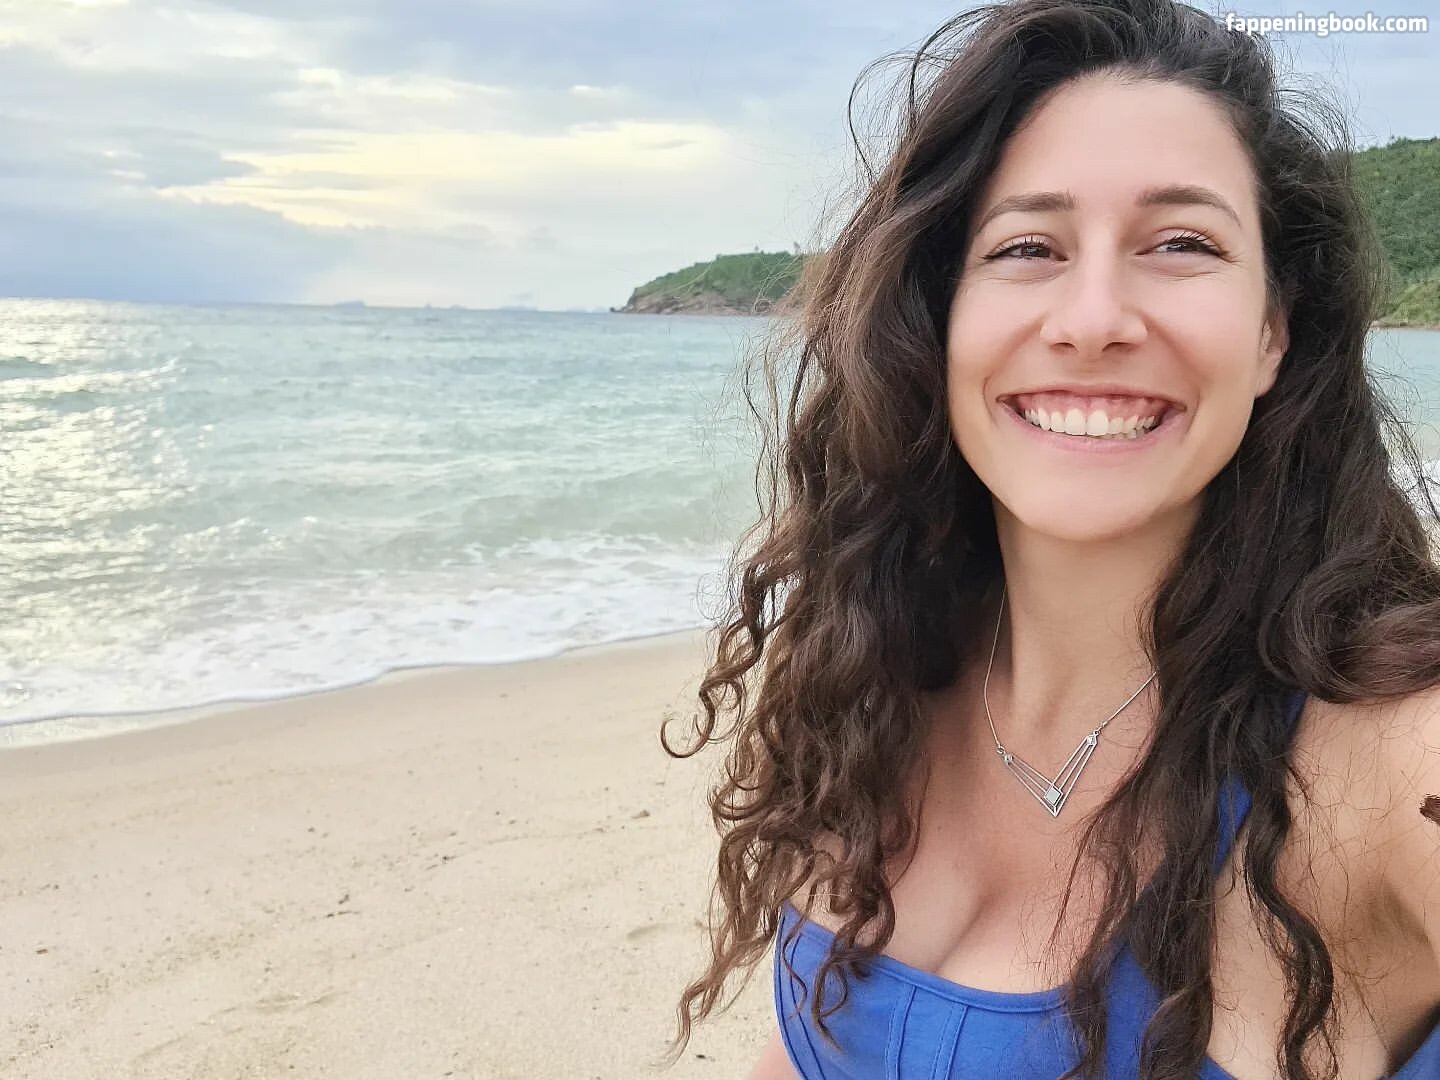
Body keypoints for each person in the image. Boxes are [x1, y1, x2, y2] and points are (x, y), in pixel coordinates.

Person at [659, 0, 1440, 1076]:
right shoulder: (874, 673)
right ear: (938, 316)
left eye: (1182, 243)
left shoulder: (1395, 759)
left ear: (1272, 332)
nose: (1092, 319)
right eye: (1027, 247)